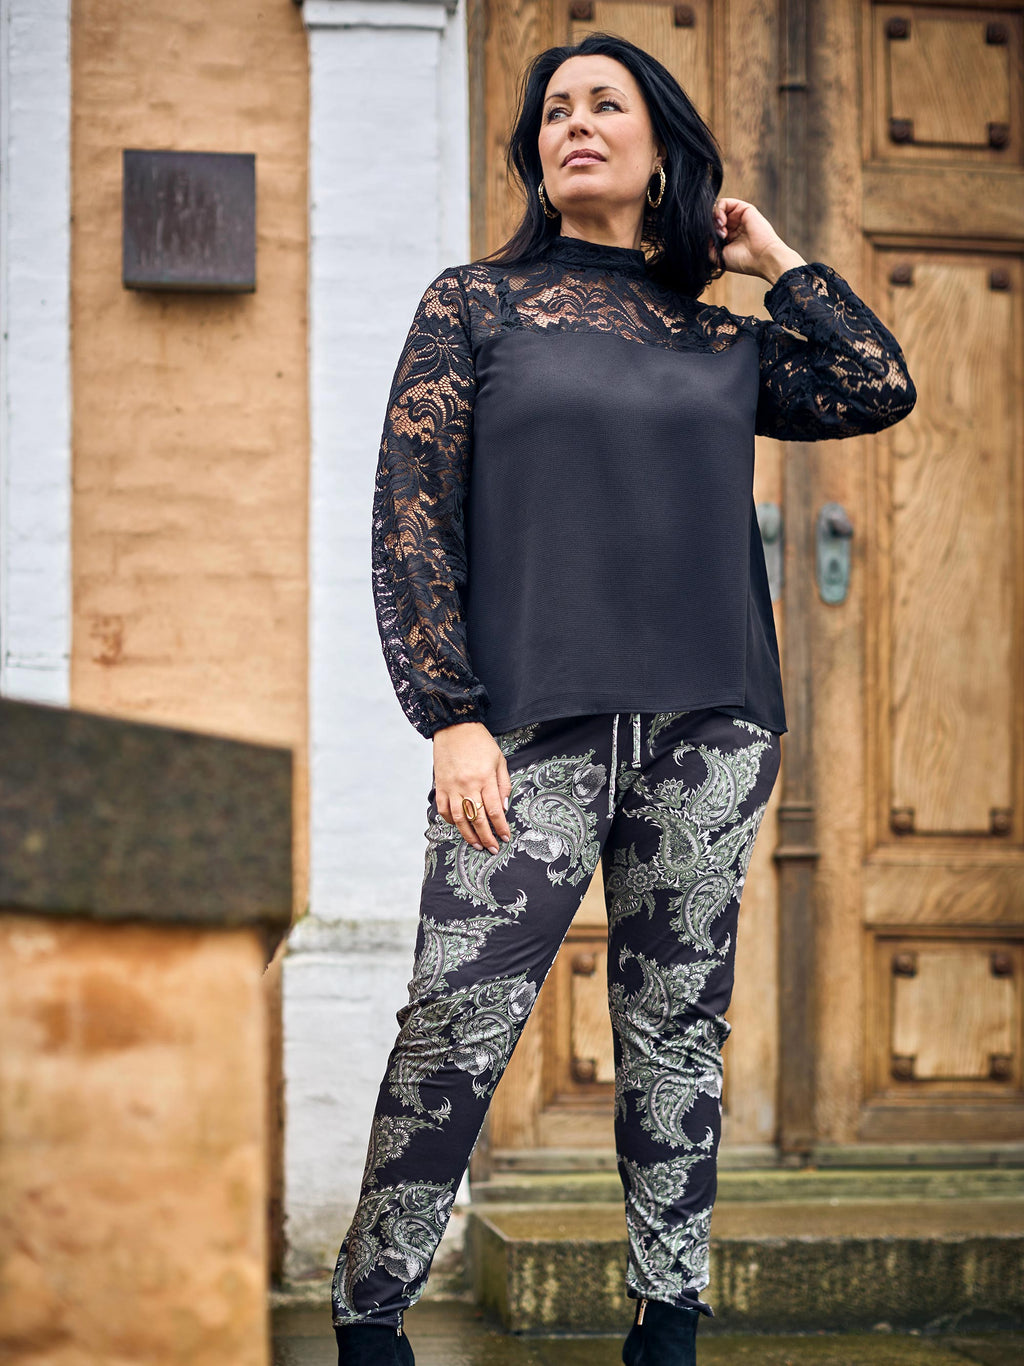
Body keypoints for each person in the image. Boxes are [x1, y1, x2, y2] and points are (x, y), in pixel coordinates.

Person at [331, 29, 917, 1366]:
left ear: (662, 151)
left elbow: (877, 384)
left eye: (607, 105)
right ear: (535, 152)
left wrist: (774, 259)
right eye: (555, 111)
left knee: (675, 1032)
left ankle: (668, 1322)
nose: (576, 124)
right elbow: (410, 516)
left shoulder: (721, 339)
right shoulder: (476, 306)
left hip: (711, 724)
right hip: (529, 725)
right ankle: (370, 1317)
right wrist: (450, 713)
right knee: (457, 1019)